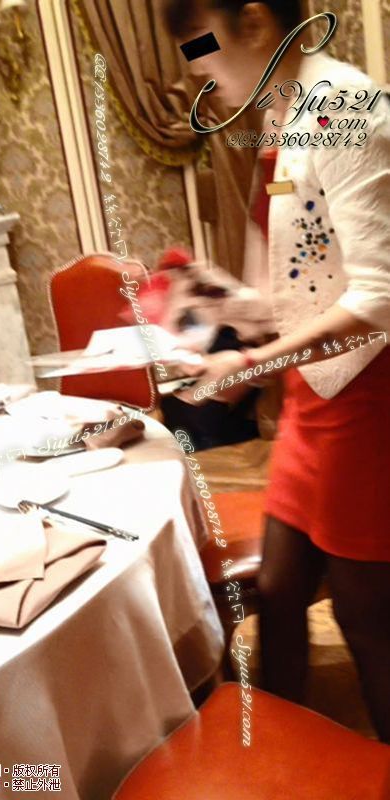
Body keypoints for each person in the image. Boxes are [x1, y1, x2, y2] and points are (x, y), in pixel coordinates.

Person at [163, 0, 390, 742]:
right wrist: (221, 304)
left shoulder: (342, 105)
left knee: (368, 617)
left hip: (369, 395)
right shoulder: (286, 115)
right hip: (315, 395)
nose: (201, 78)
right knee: (282, 585)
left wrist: (256, 360)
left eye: (203, 51)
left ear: (256, 24)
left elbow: (379, 299)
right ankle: (281, 757)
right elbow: (306, 281)